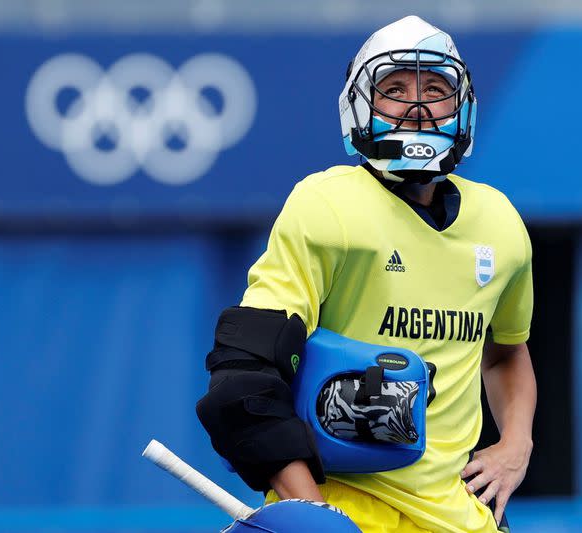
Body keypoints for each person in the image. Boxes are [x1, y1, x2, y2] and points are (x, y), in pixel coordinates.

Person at [197, 15, 536, 533]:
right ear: (360, 107)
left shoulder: (501, 224)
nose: (418, 107)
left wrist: (516, 444)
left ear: (461, 105)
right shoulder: (327, 205)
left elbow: (506, 349)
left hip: (458, 515)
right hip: (343, 508)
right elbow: (242, 383)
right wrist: (311, 518)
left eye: (436, 89)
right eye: (395, 88)